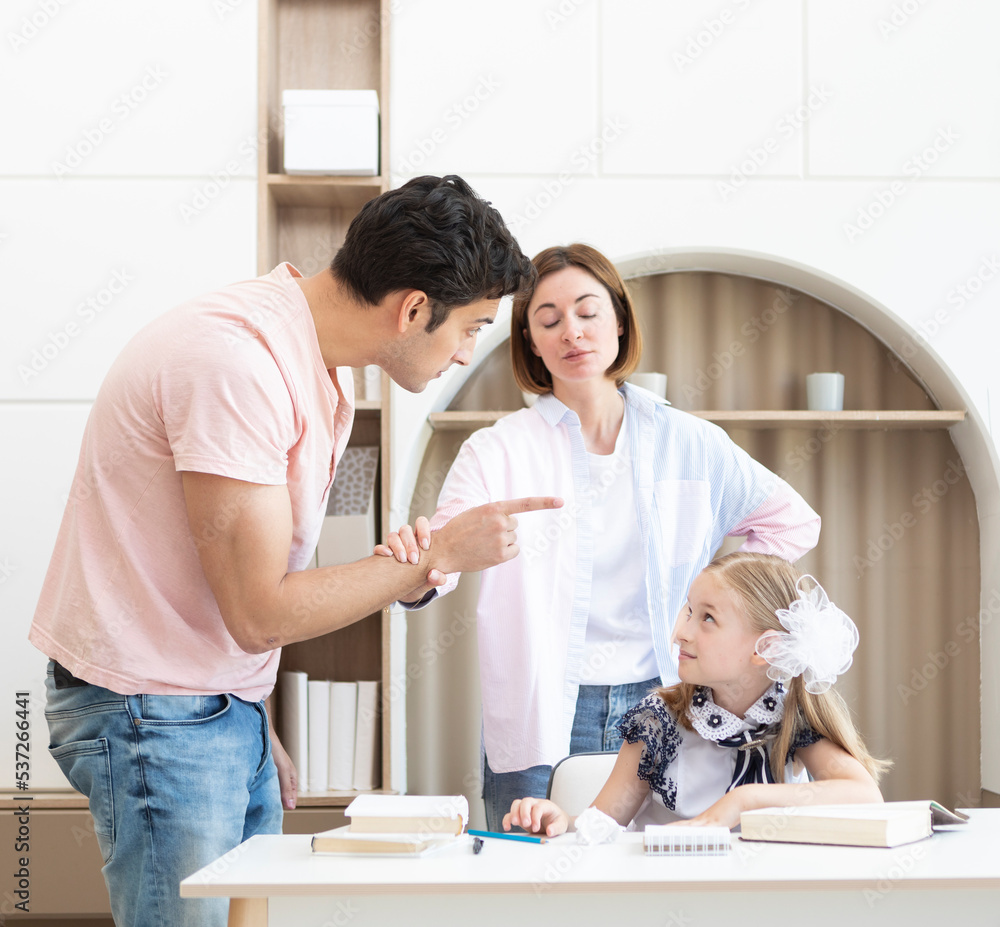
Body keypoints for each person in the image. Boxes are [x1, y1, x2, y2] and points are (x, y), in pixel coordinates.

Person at [29, 175, 562, 927]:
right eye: (471, 327)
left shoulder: (312, 363)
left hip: (212, 707)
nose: (466, 352)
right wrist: (429, 554)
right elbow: (258, 610)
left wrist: (254, 721)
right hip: (154, 711)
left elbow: (245, 590)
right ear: (413, 308)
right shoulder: (237, 364)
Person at [377, 243, 821, 830]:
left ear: (619, 319)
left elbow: (793, 522)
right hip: (543, 707)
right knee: (534, 886)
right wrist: (408, 571)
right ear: (530, 340)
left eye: (588, 312)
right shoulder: (498, 449)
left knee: (666, 876)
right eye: (549, 319)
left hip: (671, 695)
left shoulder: (690, 442)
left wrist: (723, 603)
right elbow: (440, 564)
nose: (573, 333)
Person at [503, 551, 888, 836]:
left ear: (764, 649)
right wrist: (561, 822)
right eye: (688, 611)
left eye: (707, 618)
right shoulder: (657, 719)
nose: (681, 632)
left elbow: (864, 796)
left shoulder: (789, 715)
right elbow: (601, 825)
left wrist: (743, 801)